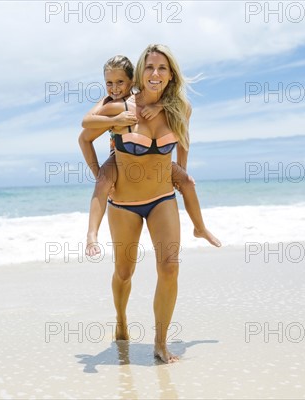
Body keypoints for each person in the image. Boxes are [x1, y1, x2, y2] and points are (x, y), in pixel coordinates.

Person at [79, 44, 203, 363]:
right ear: (140, 72)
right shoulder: (119, 105)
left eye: (162, 68)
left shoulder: (179, 109)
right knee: (124, 273)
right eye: (149, 67)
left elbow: (183, 143)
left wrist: (181, 175)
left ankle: (160, 344)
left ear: (171, 73)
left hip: (162, 198)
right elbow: (84, 132)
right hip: (124, 204)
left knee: (170, 267)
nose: (155, 73)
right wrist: (101, 174)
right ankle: (121, 320)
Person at [79, 55, 220, 258]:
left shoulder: (144, 99)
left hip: (158, 162)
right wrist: (97, 170)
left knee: (187, 182)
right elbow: (86, 124)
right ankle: (92, 235)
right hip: (118, 155)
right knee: (102, 182)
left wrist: (159, 107)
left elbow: (171, 106)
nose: (114, 88)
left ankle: (200, 228)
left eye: (120, 82)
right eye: (109, 83)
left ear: (133, 82)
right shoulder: (109, 102)